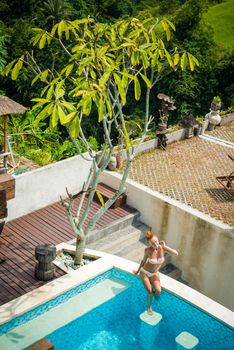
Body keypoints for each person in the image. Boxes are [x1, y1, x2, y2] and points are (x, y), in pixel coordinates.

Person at [134, 230, 178, 315]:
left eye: (156, 241)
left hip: (154, 273)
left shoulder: (163, 248)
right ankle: (149, 307)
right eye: (153, 243)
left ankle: (154, 290)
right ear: (149, 243)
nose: (156, 244)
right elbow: (143, 261)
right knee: (150, 292)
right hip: (145, 273)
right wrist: (137, 271)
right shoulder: (147, 250)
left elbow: (176, 253)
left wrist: (165, 246)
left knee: (158, 291)